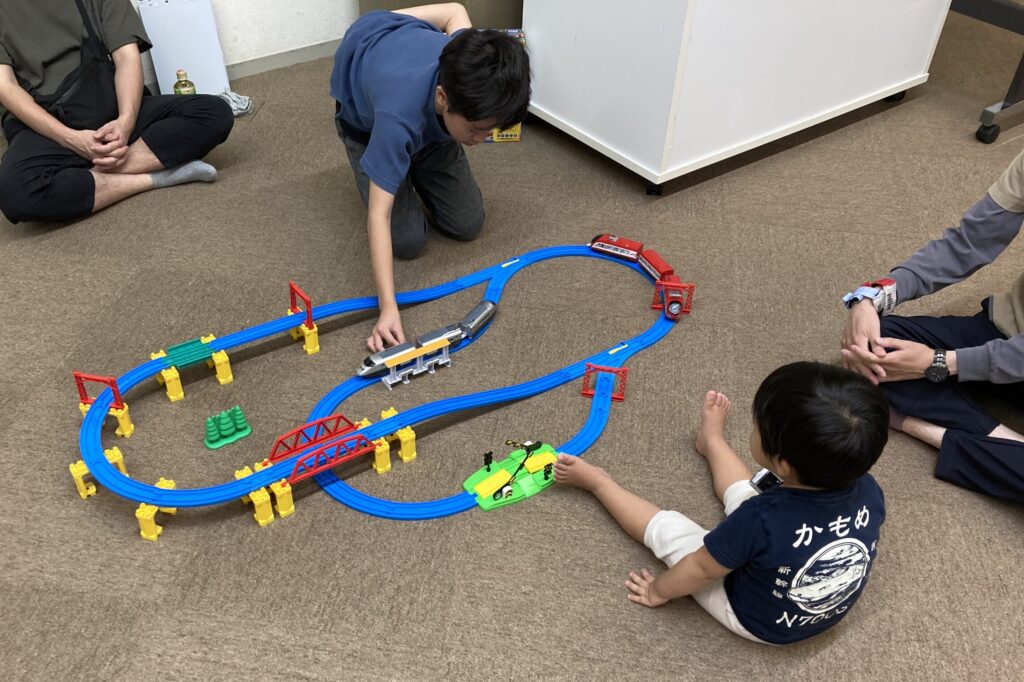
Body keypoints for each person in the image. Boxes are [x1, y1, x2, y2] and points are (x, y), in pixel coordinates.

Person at [555, 362, 888, 644]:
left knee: (673, 531)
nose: (754, 429)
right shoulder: (869, 489)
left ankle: (599, 482)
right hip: (817, 604)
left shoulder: (760, 518)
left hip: (757, 619)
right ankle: (712, 441)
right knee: (750, 499)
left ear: (783, 465)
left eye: (757, 426)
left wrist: (659, 591)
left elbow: (700, 569)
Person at [330, 3, 530, 352]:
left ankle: (415, 159)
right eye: (477, 129)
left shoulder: (467, 57)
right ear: (442, 97)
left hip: (423, 101)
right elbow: (378, 215)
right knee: (408, 242)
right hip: (366, 121)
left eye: (492, 129)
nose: (482, 139)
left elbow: (454, 9)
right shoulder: (396, 117)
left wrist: (467, 129)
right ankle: (396, 164)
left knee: (468, 223)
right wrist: (388, 309)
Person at [840, 149, 1024, 504]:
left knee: (878, 374)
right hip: (1006, 327)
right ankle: (1002, 446)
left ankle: (923, 427)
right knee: (873, 348)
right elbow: (966, 244)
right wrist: (872, 296)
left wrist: (940, 363)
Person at [0, 0, 234, 225]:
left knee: (214, 113)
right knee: (14, 192)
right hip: (45, 127)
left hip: (109, 106)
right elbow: (6, 88)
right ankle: (154, 178)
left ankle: (83, 176)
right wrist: (71, 139)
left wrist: (125, 122)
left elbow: (126, 57)